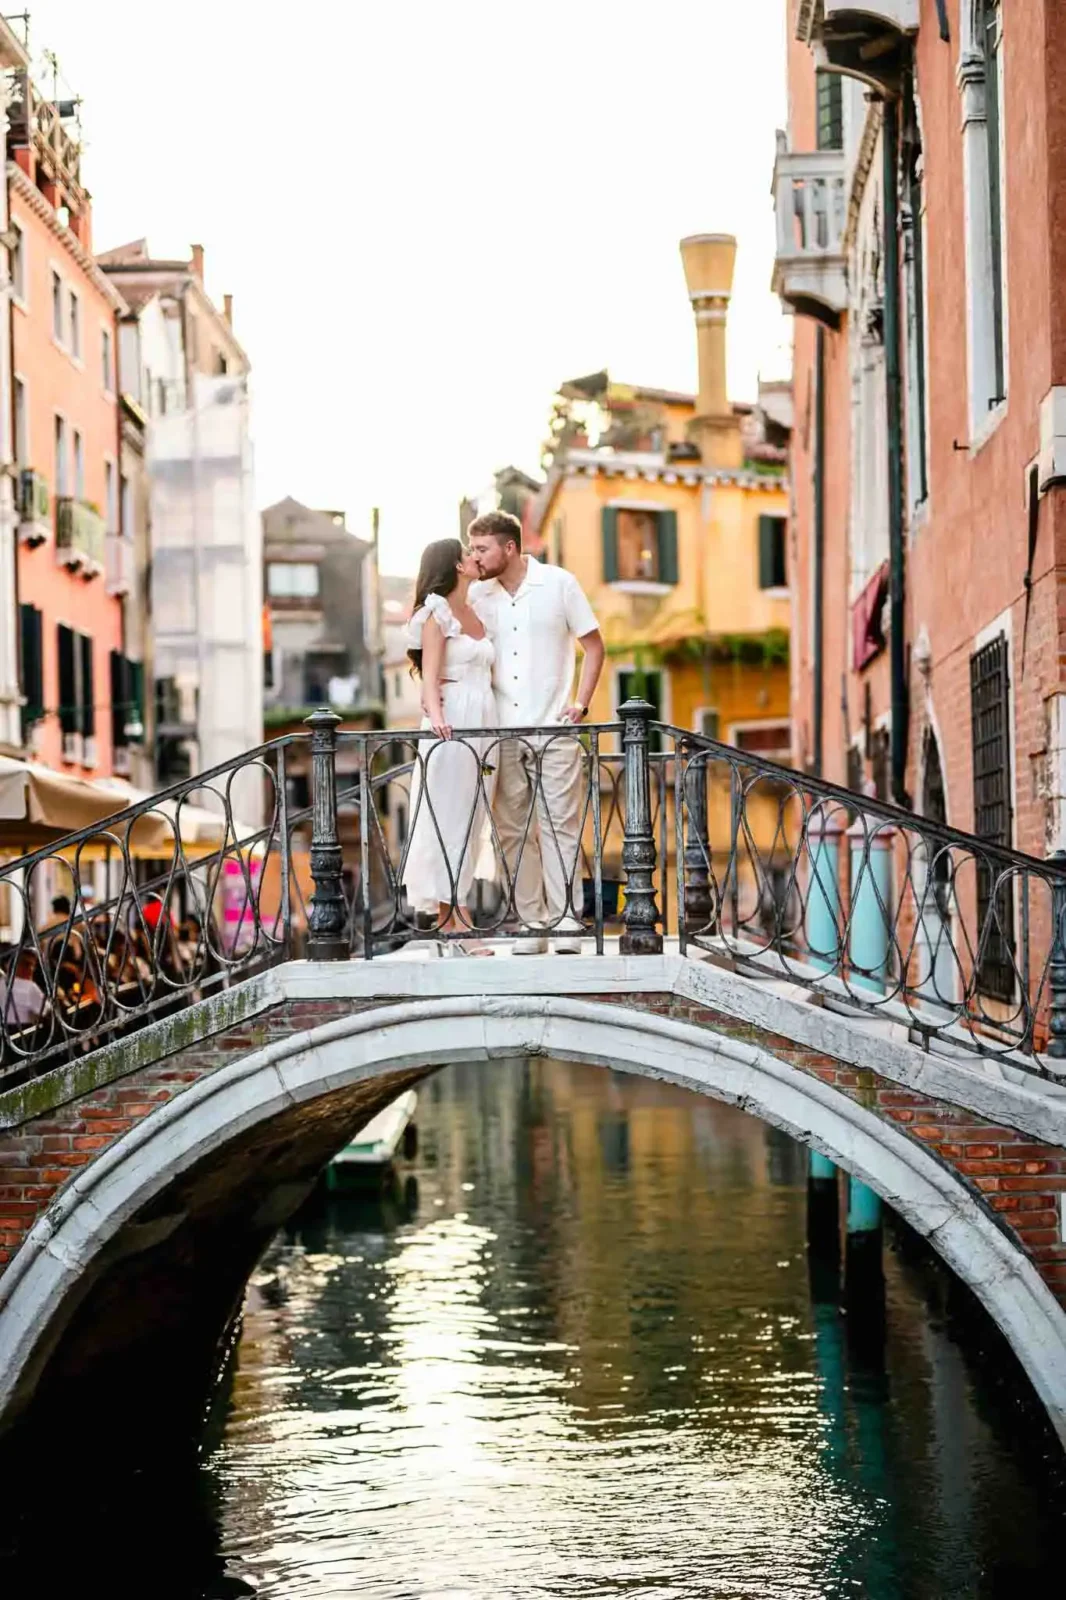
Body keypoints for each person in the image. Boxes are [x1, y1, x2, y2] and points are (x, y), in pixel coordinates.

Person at [468, 509, 604, 954]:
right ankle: (533, 922)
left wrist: (580, 703)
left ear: (510, 546)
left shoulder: (559, 583)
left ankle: (566, 920)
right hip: (501, 730)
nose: (476, 556)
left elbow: (593, 645)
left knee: (559, 825)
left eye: (482, 548)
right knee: (510, 829)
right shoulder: (477, 595)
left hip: (554, 727)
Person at [400, 538, 497, 955]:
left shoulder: (476, 611)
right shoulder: (436, 614)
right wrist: (439, 722)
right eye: (469, 554)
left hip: (485, 723)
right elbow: (429, 683)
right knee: (449, 821)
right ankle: (455, 922)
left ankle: (457, 918)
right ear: (456, 566)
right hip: (454, 724)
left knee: (474, 822)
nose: (476, 559)